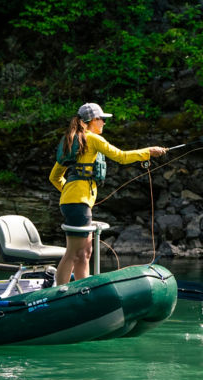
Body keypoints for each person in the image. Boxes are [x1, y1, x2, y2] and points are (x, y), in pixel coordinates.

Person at [48, 102, 167, 285]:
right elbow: (121, 157)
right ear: (93, 120)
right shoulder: (93, 139)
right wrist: (149, 152)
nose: (104, 123)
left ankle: (83, 288)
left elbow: (54, 177)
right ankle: (60, 291)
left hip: (76, 202)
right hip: (77, 203)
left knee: (85, 253)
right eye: (102, 119)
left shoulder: (72, 141)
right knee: (73, 252)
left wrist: (69, 191)